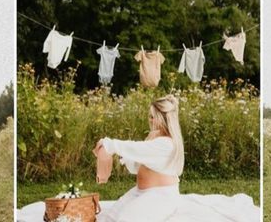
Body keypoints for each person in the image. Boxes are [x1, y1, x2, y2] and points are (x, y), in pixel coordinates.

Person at [16, 95, 258, 222]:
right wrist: (123, 158)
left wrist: (112, 145)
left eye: (154, 117)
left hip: (160, 197)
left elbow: (135, 149)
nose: (150, 121)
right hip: (140, 192)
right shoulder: (153, 138)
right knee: (108, 217)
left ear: (164, 119)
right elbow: (136, 165)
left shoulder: (166, 144)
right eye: (150, 117)